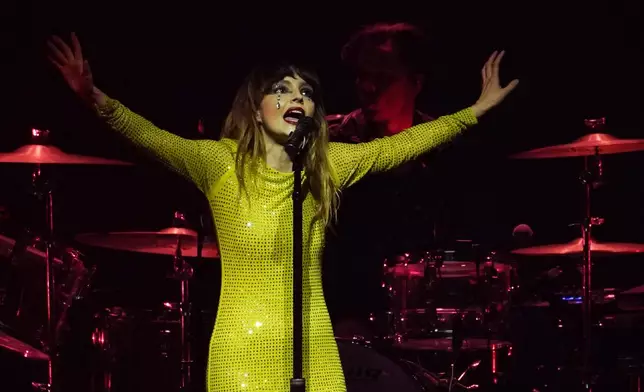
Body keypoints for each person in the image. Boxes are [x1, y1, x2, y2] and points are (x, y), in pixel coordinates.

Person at [46, 32, 517, 392]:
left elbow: (402, 145)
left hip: (312, 348)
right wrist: (93, 97)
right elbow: (151, 137)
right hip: (240, 351)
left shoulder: (327, 167)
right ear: (255, 109)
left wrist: (473, 111)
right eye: (282, 89)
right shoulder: (219, 164)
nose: (297, 98)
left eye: (306, 92)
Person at [323, 23, 447, 332]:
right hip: (341, 323)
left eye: (381, 78)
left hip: (426, 324)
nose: (367, 87)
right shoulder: (328, 147)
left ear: (416, 83)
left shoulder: (446, 152)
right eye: (362, 76)